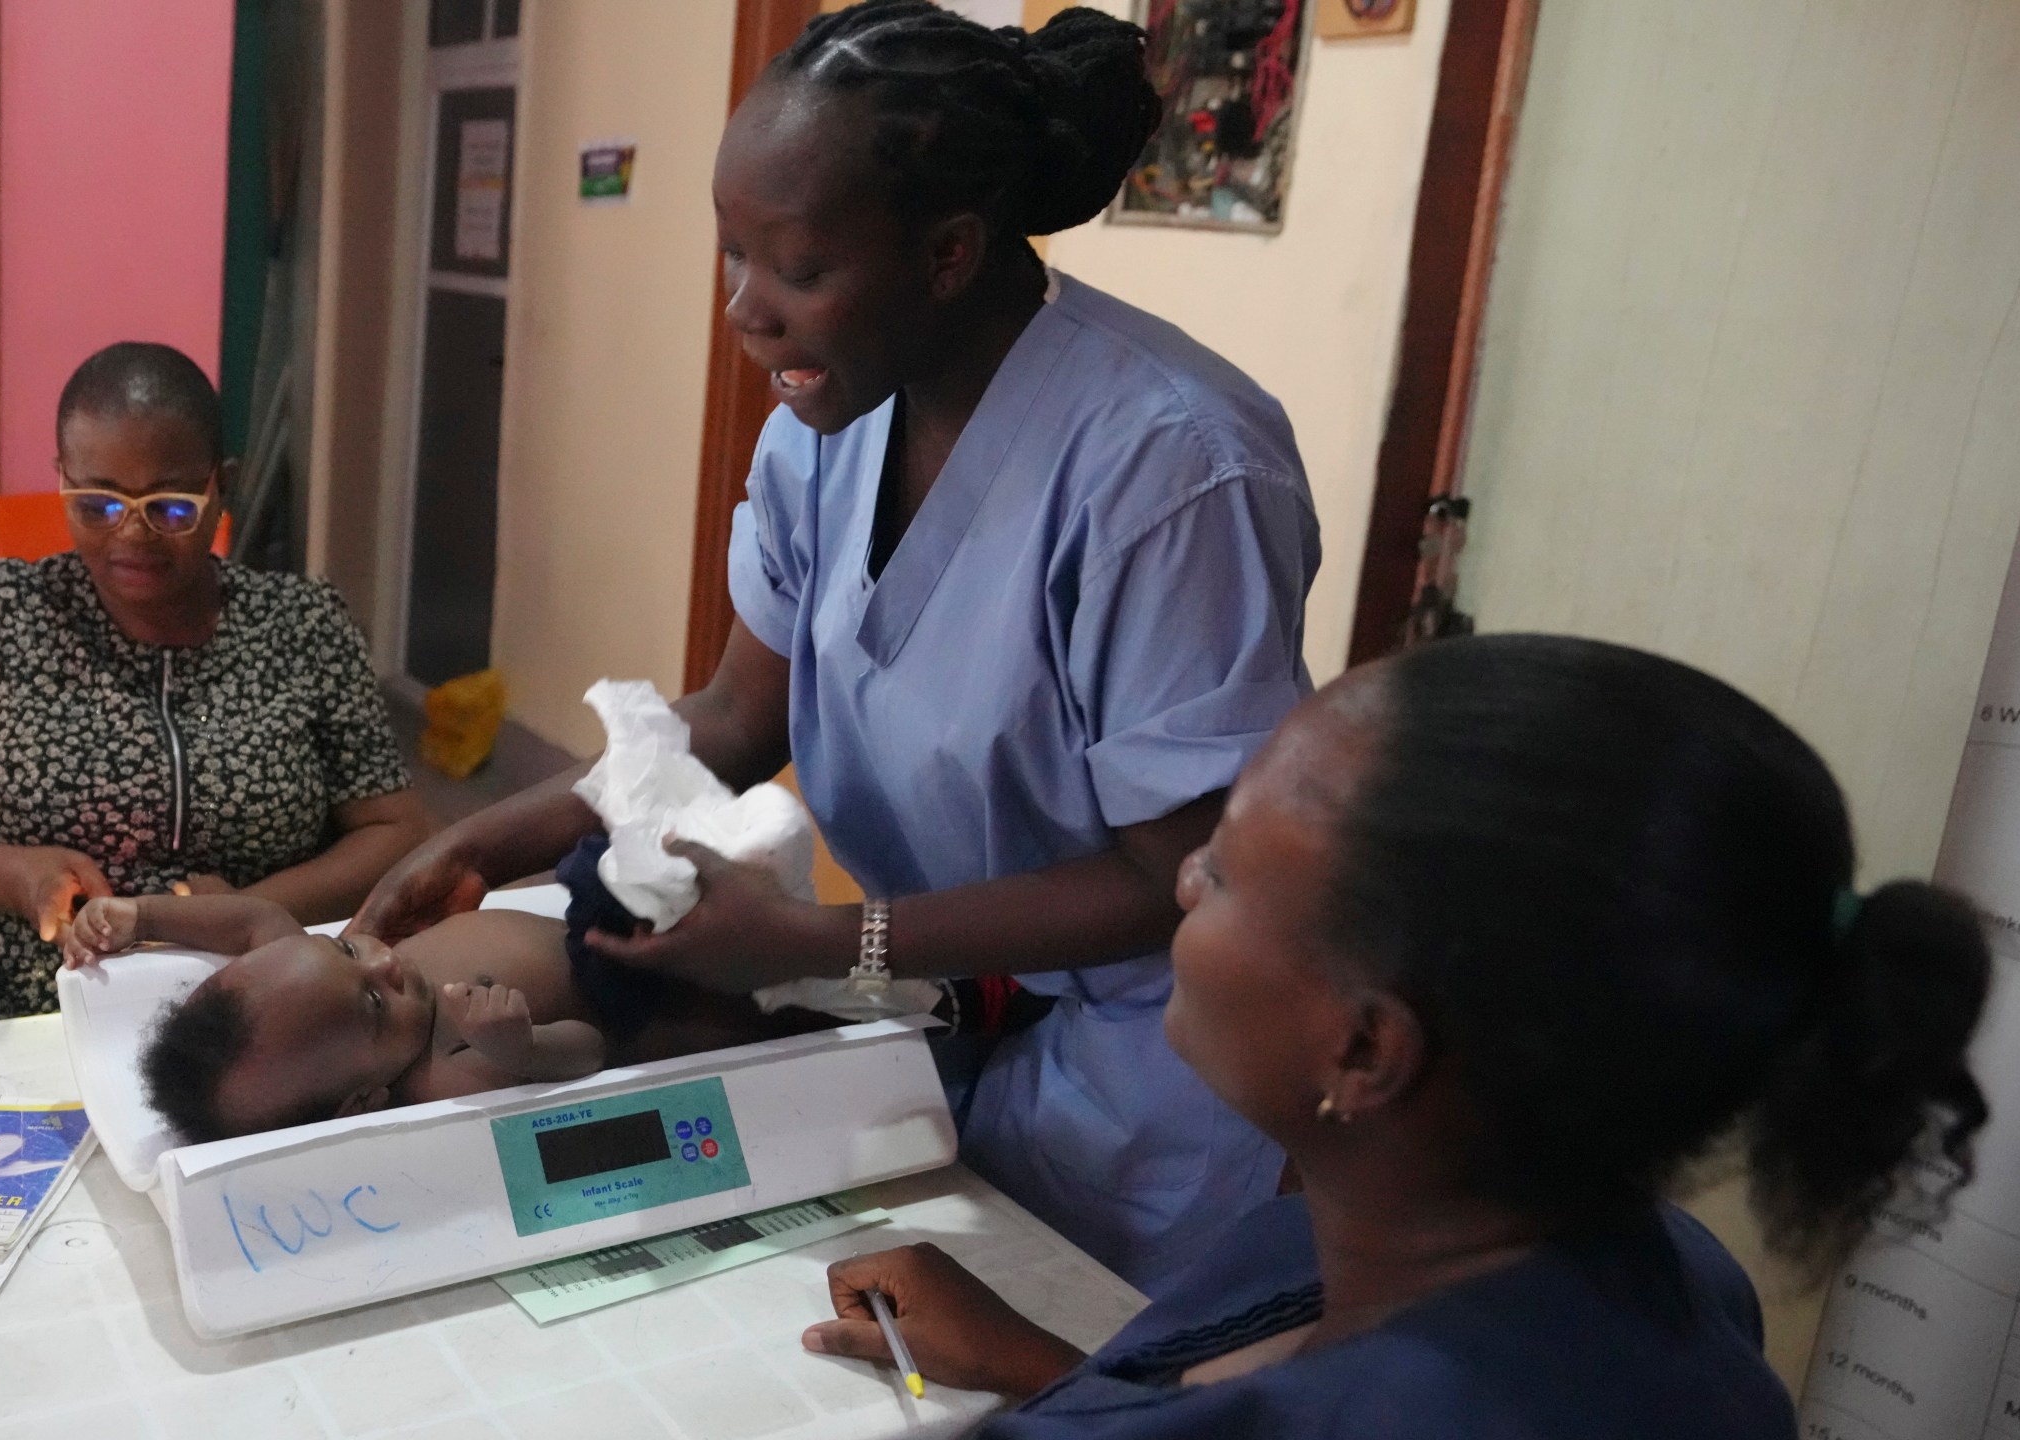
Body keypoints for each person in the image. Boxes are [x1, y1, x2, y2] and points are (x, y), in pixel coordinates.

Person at [354, 1, 1318, 1294]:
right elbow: (745, 711)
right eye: (730, 255)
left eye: (797, 268)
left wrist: (826, 946)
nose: (749, 312)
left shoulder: (1170, 469)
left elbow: (1179, 879)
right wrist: (492, 835)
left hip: (1143, 1066)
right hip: (932, 1007)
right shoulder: (825, 424)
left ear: (949, 254)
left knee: (1075, 1377)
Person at [792, 635, 1992, 1437]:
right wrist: (1043, 1370)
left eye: (1230, 870)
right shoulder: (1676, 1284)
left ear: (1365, 1052)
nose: (1186, 876)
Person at [0, 342, 427, 1022]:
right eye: (97, 504)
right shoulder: (0, 613)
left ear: (219, 484)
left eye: (169, 507)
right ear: (61, 481)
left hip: (261, 1015)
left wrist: (252, 910)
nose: (131, 535)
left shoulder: (301, 624)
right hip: (38, 1015)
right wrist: (18, 876)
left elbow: (396, 830)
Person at [65, 842, 832, 1142]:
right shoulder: (442, 1073)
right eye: (373, 1005)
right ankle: (842, 1017)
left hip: (586, 920)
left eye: (346, 948)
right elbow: (591, 1051)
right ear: (362, 1102)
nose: (384, 965)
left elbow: (258, 920)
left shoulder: (308, 982)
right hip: (631, 997)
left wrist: (143, 916)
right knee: (739, 1026)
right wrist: (523, 1049)